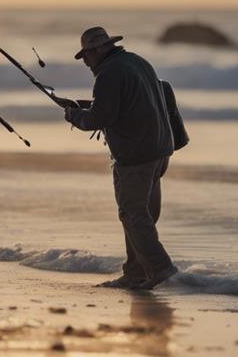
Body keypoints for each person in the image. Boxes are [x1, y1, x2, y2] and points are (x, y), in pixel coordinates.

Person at [52, 26, 179, 290]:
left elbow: (101, 118)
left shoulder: (108, 73)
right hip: (160, 150)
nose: (85, 62)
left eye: (86, 55)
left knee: (133, 213)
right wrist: (81, 105)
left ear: (98, 50)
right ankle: (135, 274)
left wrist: (73, 116)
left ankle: (160, 269)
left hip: (136, 154)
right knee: (142, 214)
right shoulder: (135, 62)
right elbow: (127, 102)